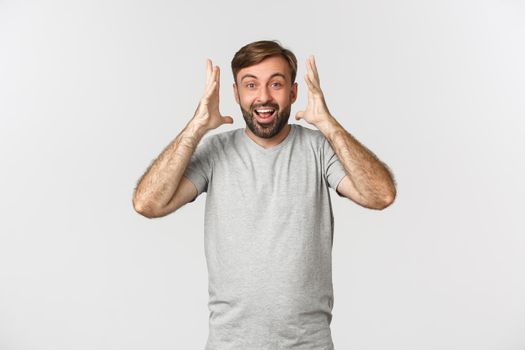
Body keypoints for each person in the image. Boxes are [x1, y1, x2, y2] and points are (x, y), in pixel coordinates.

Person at [133, 40, 396, 350]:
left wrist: (328, 125)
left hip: (308, 344)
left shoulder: (319, 149)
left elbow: (380, 195)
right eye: (251, 85)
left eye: (276, 84)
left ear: (294, 92)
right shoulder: (216, 152)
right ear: (236, 94)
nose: (264, 97)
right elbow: (147, 203)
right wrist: (196, 126)